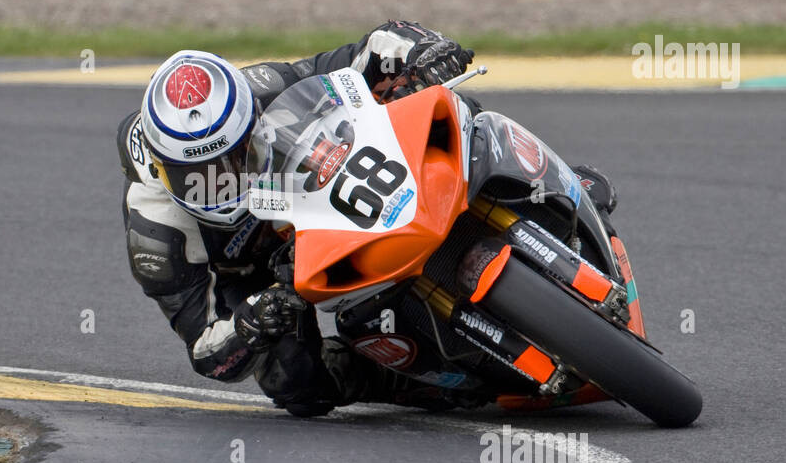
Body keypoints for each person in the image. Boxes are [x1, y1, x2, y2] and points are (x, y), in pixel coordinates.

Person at [116, 21, 615, 416]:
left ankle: (543, 183)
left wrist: (420, 51)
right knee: (296, 386)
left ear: (247, 115)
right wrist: (252, 320)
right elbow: (205, 351)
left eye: (236, 154)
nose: (225, 176)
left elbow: (365, 54)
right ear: (162, 167)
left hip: (313, 191)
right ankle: (416, 385)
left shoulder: (259, 88)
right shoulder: (156, 233)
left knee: (441, 103)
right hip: (266, 276)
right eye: (201, 172)